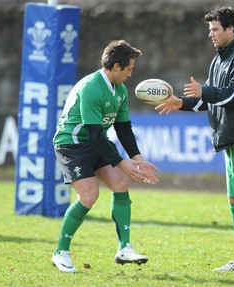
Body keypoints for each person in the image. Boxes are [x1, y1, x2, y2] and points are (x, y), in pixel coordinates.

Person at [155, 6, 234, 275]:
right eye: (209, 29)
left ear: (231, 28)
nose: (210, 34)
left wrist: (205, 91)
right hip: (229, 139)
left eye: (214, 29)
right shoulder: (218, 60)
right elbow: (210, 101)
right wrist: (181, 103)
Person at [52, 40, 159, 273]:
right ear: (117, 66)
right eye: (129, 68)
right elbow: (92, 133)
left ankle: (124, 248)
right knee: (89, 195)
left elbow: (123, 127)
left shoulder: (119, 89)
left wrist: (138, 161)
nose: (132, 73)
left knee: (120, 183)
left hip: (95, 140)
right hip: (72, 143)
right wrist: (121, 163)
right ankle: (61, 252)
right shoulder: (92, 87)